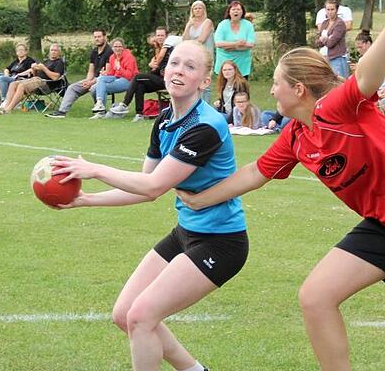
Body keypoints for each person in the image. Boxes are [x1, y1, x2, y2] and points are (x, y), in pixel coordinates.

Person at [177, 0, 385, 371]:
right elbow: (254, 173)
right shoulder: (298, 136)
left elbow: (367, 77)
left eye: (278, 83)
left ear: (299, 90)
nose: (273, 90)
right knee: (316, 296)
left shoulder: (337, 109)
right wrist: (199, 198)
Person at [52, 40, 247, 371]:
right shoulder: (165, 120)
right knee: (124, 314)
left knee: (141, 317)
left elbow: (155, 186)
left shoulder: (206, 127)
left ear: (203, 80)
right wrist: (85, 200)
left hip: (221, 242)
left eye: (190, 66)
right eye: (174, 63)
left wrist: (95, 170)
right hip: (186, 233)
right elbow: (143, 188)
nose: (178, 71)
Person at [109, 34, 181, 122]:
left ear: (167, 37)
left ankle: (124, 104)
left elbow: (160, 63)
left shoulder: (171, 49)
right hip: (158, 78)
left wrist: (153, 65)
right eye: (158, 35)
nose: (159, 37)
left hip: (167, 80)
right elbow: (155, 68)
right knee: (140, 85)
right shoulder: (157, 50)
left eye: (162, 35)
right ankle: (139, 114)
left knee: (137, 77)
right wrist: (151, 65)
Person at [45, 29, 112, 118]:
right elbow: (91, 70)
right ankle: (62, 112)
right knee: (72, 87)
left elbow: (107, 73)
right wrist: (87, 81)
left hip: (104, 80)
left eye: (99, 37)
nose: (97, 39)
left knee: (93, 88)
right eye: (95, 37)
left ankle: (100, 112)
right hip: (92, 79)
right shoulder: (94, 52)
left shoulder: (109, 52)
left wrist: (91, 83)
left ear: (104, 37)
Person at [0, 43, 64, 114]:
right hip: (36, 80)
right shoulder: (46, 61)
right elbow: (35, 75)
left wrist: (43, 68)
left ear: (59, 53)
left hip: (46, 84)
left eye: (55, 50)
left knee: (21, 86)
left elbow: (55, 77)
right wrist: (34, 70)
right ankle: (5, 107)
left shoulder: (59, 62)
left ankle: (9, 109)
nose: (53, 52)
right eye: (52, 50)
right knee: (13, 84)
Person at [90, 38, 138, 118]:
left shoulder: (129, 57)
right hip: (117, 78)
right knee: (98, 82)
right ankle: (100, 105)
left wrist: (119, 68)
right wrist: (105, 74)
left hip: (129, 81)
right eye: (115, 46)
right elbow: (112, 74)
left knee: (101, 87)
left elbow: (129, 75)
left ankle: (100, 111)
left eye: (120, 46)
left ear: (123, 47)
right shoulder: (112, 57)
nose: (118, 48)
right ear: (112, 48)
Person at [213, 0, 256, 80]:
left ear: (242, 12)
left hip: (242, 63)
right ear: (229, 12)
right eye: (233, 9)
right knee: (225, 89)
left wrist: (230, 47)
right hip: (224, 62)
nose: (236, 11)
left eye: (238, 9)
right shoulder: (222, 24)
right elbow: (218, 43)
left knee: (241, 89)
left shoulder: (248, 25)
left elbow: (251, 44)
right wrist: (237, 44)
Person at [182, 0, 215, 101]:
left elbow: (201, 39)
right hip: (193, 56)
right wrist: (188, 26)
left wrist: (189, 43)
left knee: (205, 83)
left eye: (200, 8)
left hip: (205, 56)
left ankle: (205, 105)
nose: (197, 10)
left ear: (204, 10)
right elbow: (184, 39)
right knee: (194, 82)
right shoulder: (191, 23)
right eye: (195, 8)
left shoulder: (207, 22)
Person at [316, 0, 349, 78]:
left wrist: (323, 39)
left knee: (339, 82)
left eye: (332, 9)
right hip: (324, 58)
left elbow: (331, 43)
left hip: (337, 58)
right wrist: (326, 39)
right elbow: (318, 42)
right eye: (328, 9)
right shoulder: (324, 23)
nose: (330, 12)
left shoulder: (340, 23)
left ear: (336, 10)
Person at [212, 60, 249, 124]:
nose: (227, 72)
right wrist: (219, 101)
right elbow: (225, 99)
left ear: (235, 70)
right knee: (211, 110)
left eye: (229, 69)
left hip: (235, 115)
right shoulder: (223, 83)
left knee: (214, 117)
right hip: (225, 112)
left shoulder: (240, 84)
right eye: (224, 70)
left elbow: (241, 103)